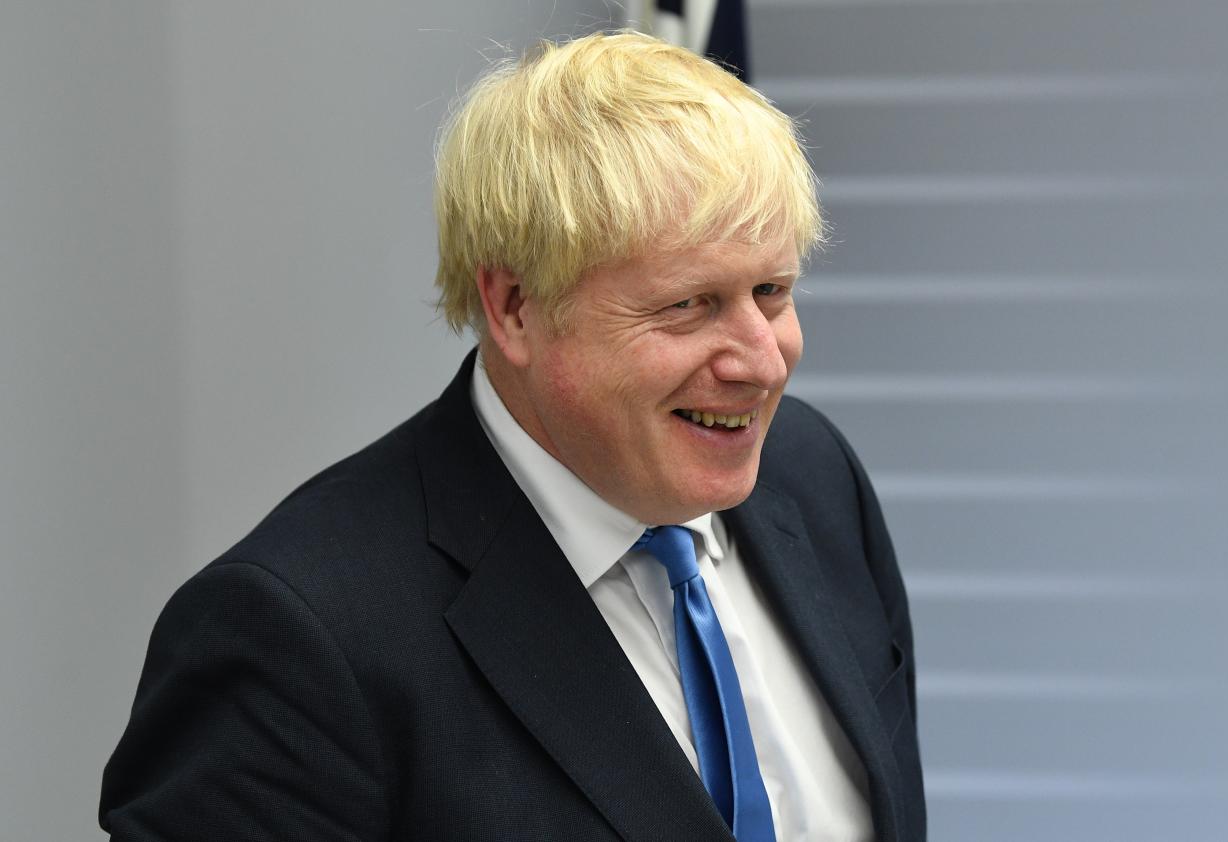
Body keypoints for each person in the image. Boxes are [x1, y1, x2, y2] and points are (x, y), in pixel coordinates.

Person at [100, 31, 925, 842]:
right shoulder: (298, 639)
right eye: (688, 305)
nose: (762, 361)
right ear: (516, 307)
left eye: (773, 291)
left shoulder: (813, 480)